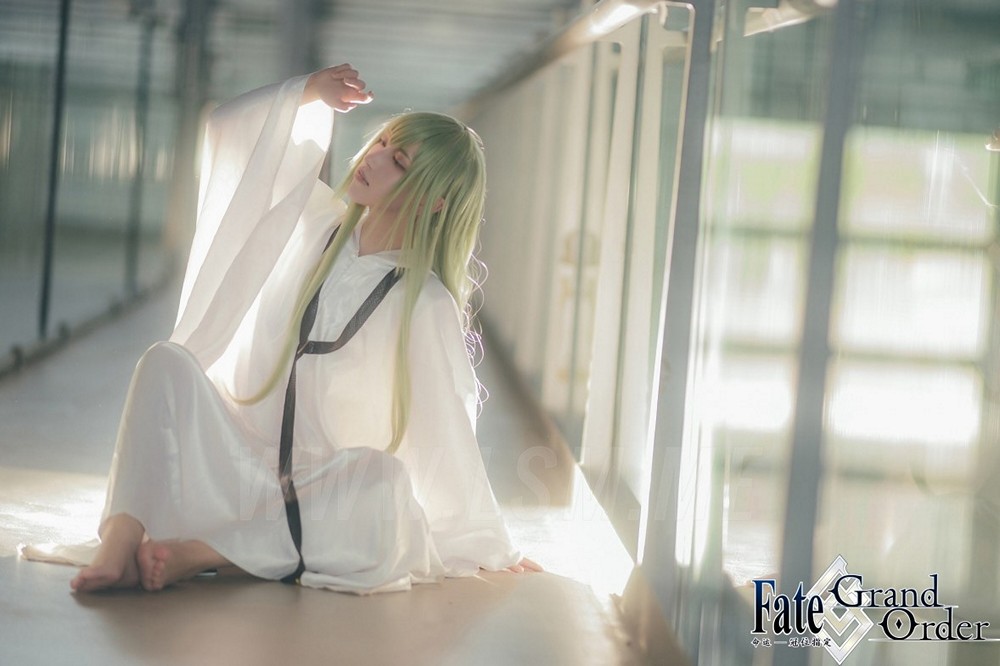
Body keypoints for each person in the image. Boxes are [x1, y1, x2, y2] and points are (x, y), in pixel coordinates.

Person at [69, 64, 540, 594]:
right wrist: (307, 94)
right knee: (165, 361)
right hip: (235, 464)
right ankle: (119, 541)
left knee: (383, 482)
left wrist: (486, 542)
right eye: (381, 142)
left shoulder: (425, 302)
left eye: (398, 161)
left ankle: (202, 554)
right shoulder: (308, 222)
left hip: (320, 494)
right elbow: (232, 141)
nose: (373, 157)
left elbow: (446, 432)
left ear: (435, 200)